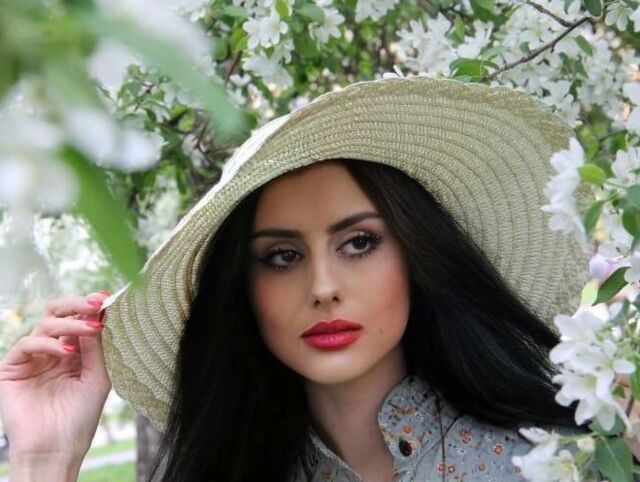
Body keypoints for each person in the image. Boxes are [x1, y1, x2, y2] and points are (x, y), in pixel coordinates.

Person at [0, 76, 635, 481]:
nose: (323, 286)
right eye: (281, 256)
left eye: (359, 243)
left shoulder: (560, 458)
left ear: (417, 256)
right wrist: (43, 459)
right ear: (242, 292)